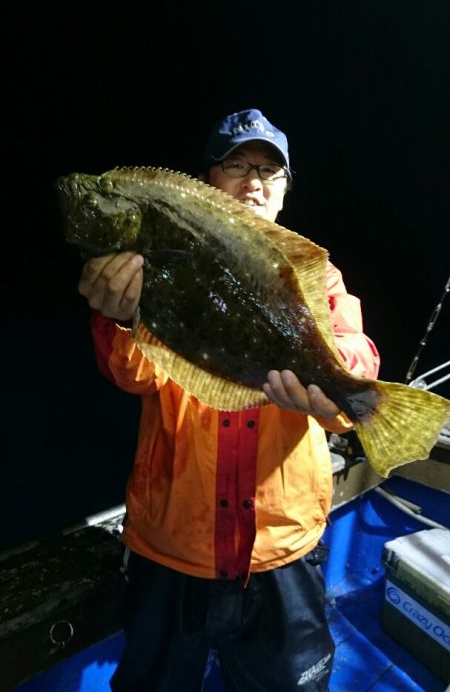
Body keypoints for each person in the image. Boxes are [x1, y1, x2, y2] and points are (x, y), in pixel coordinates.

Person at [78, 108, 380, 692]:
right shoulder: (167, 263)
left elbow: (357, 369)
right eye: (236, 164)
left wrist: (325, 374)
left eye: (271, 171)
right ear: (207, 182)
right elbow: (134, 374)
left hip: (281, 553)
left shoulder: (317, 279)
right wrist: (118, 320)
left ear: (286, 191)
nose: (254, 182)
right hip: (172, 548)